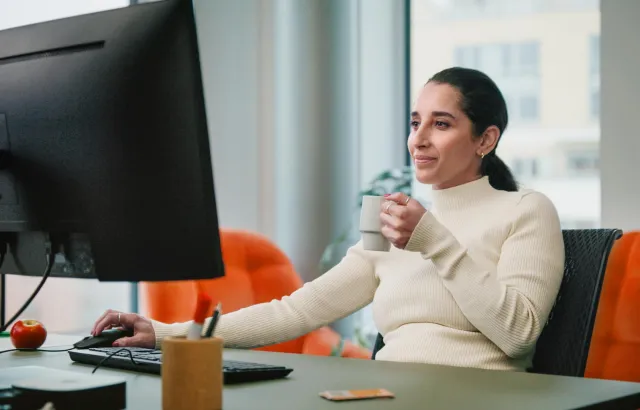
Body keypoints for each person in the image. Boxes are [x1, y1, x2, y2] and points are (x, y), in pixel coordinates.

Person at [91, 67, 565, 372]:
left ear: (485, 140)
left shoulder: (526, 209)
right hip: (392, 396)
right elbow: (296, 311)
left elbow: (519, 335)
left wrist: (433, 241)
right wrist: (166, 333)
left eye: (441, 124)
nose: (418, 138)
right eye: (414, 122)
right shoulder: (389, 222)